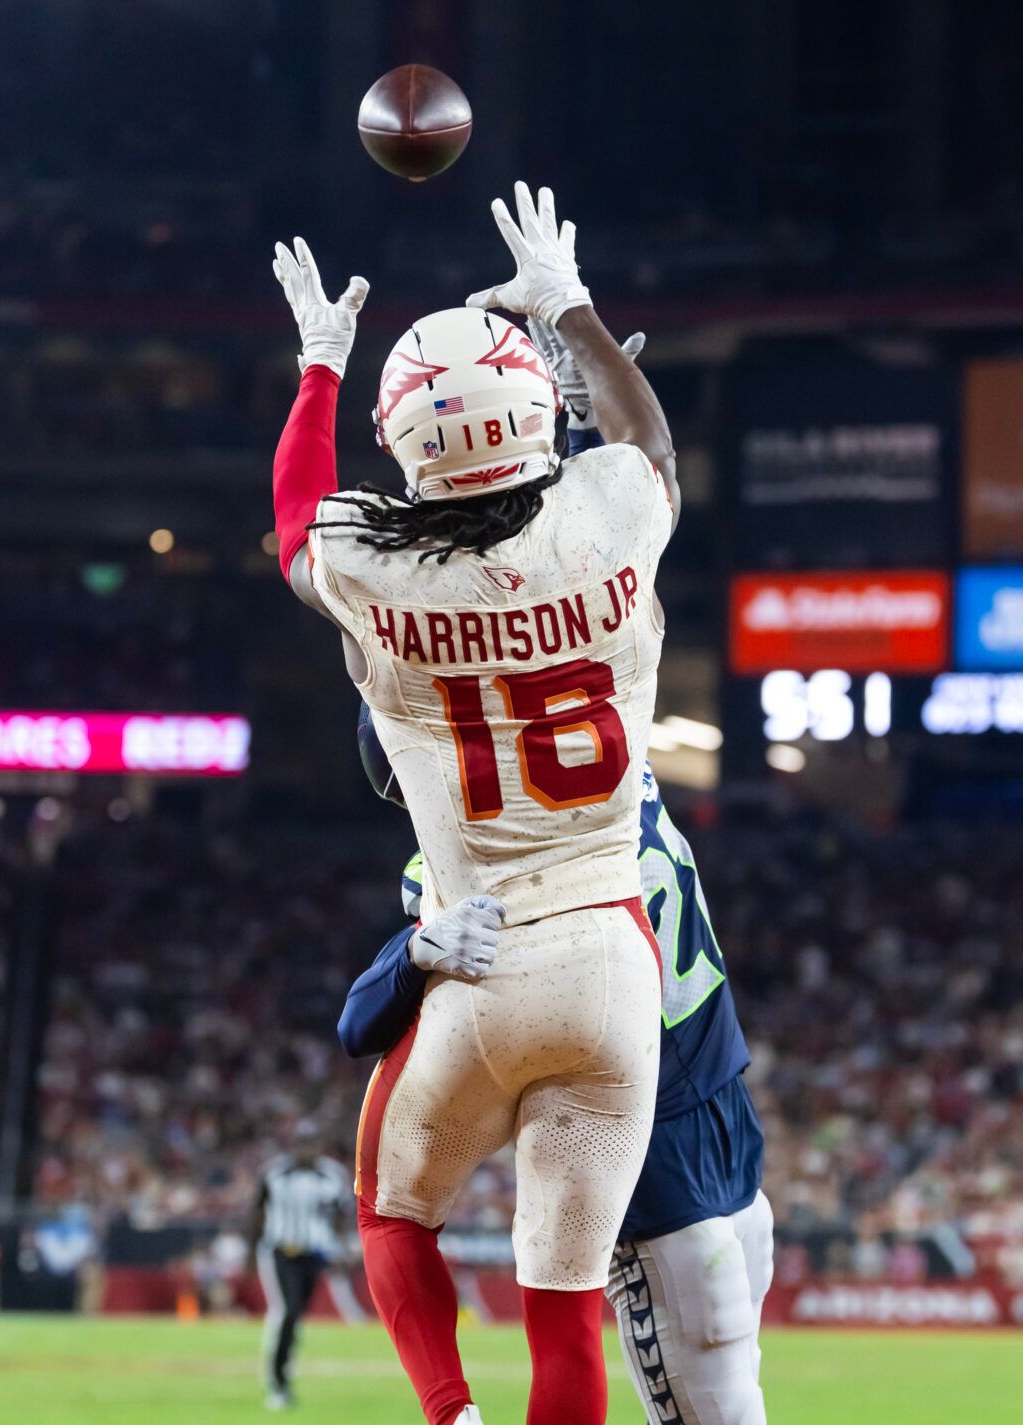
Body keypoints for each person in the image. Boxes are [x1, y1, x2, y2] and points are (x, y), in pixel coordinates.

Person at [269, 180, 679, 1425]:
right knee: (567, 1307)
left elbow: (297, 518)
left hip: (480, 951)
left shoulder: (377, 568)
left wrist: (319, 368)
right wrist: (572, 309)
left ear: (409, 443)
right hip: (614, 953)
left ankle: (450, 1415)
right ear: (538, 427)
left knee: (392, 1212)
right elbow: (644, 447)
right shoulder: (609, 521)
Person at [343, 735, 772, 1423]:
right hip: (692, 1107)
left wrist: (410, 954)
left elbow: (358, 1025)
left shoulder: (472, 863)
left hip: (668, 1120)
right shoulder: (622, 762)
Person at [250, 1129, 348, 1411]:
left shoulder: (332, 1175)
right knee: (287, 1311)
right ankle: (277, 1381)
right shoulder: (275, 1173)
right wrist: (249, 1253)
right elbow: (257, 1212)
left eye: (312, 1144)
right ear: (292, 1146)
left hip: (314, 1253)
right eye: (302, 1144)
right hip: (281, 1251)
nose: (307, 1151)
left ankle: (285, 1361)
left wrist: (339, 1250)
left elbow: (339, 1215)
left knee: (296, 1314)